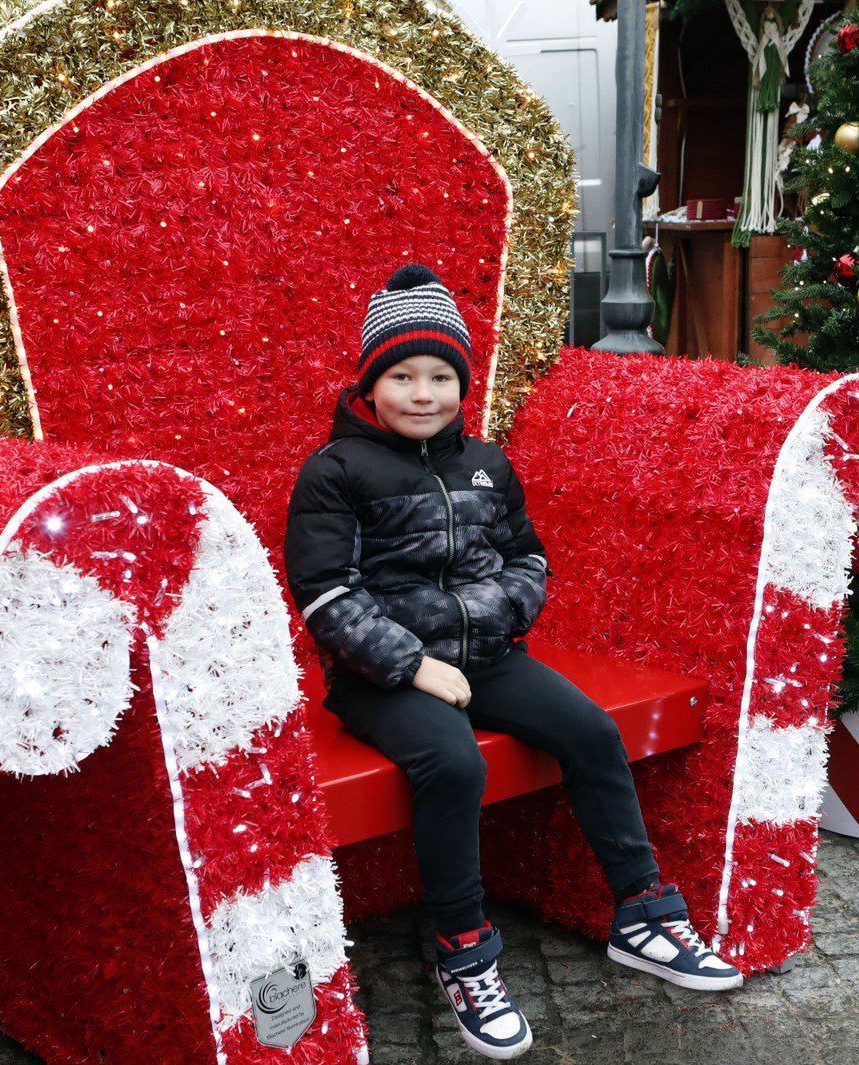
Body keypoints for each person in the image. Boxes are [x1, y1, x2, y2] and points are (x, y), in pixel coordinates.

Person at [284, 264, 741, 1059]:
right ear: (371, 383)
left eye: (439, 375)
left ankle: (642, 912)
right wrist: (414, 666)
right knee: (454, 764)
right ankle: (463, 948)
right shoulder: (337, 471)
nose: (422, 392)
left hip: (488, 656)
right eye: (402, 375)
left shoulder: (486, 463)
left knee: (592, 733)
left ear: (461, 381)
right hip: (382, 676)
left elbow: (527, 557)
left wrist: (499, 616)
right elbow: (325, 594)